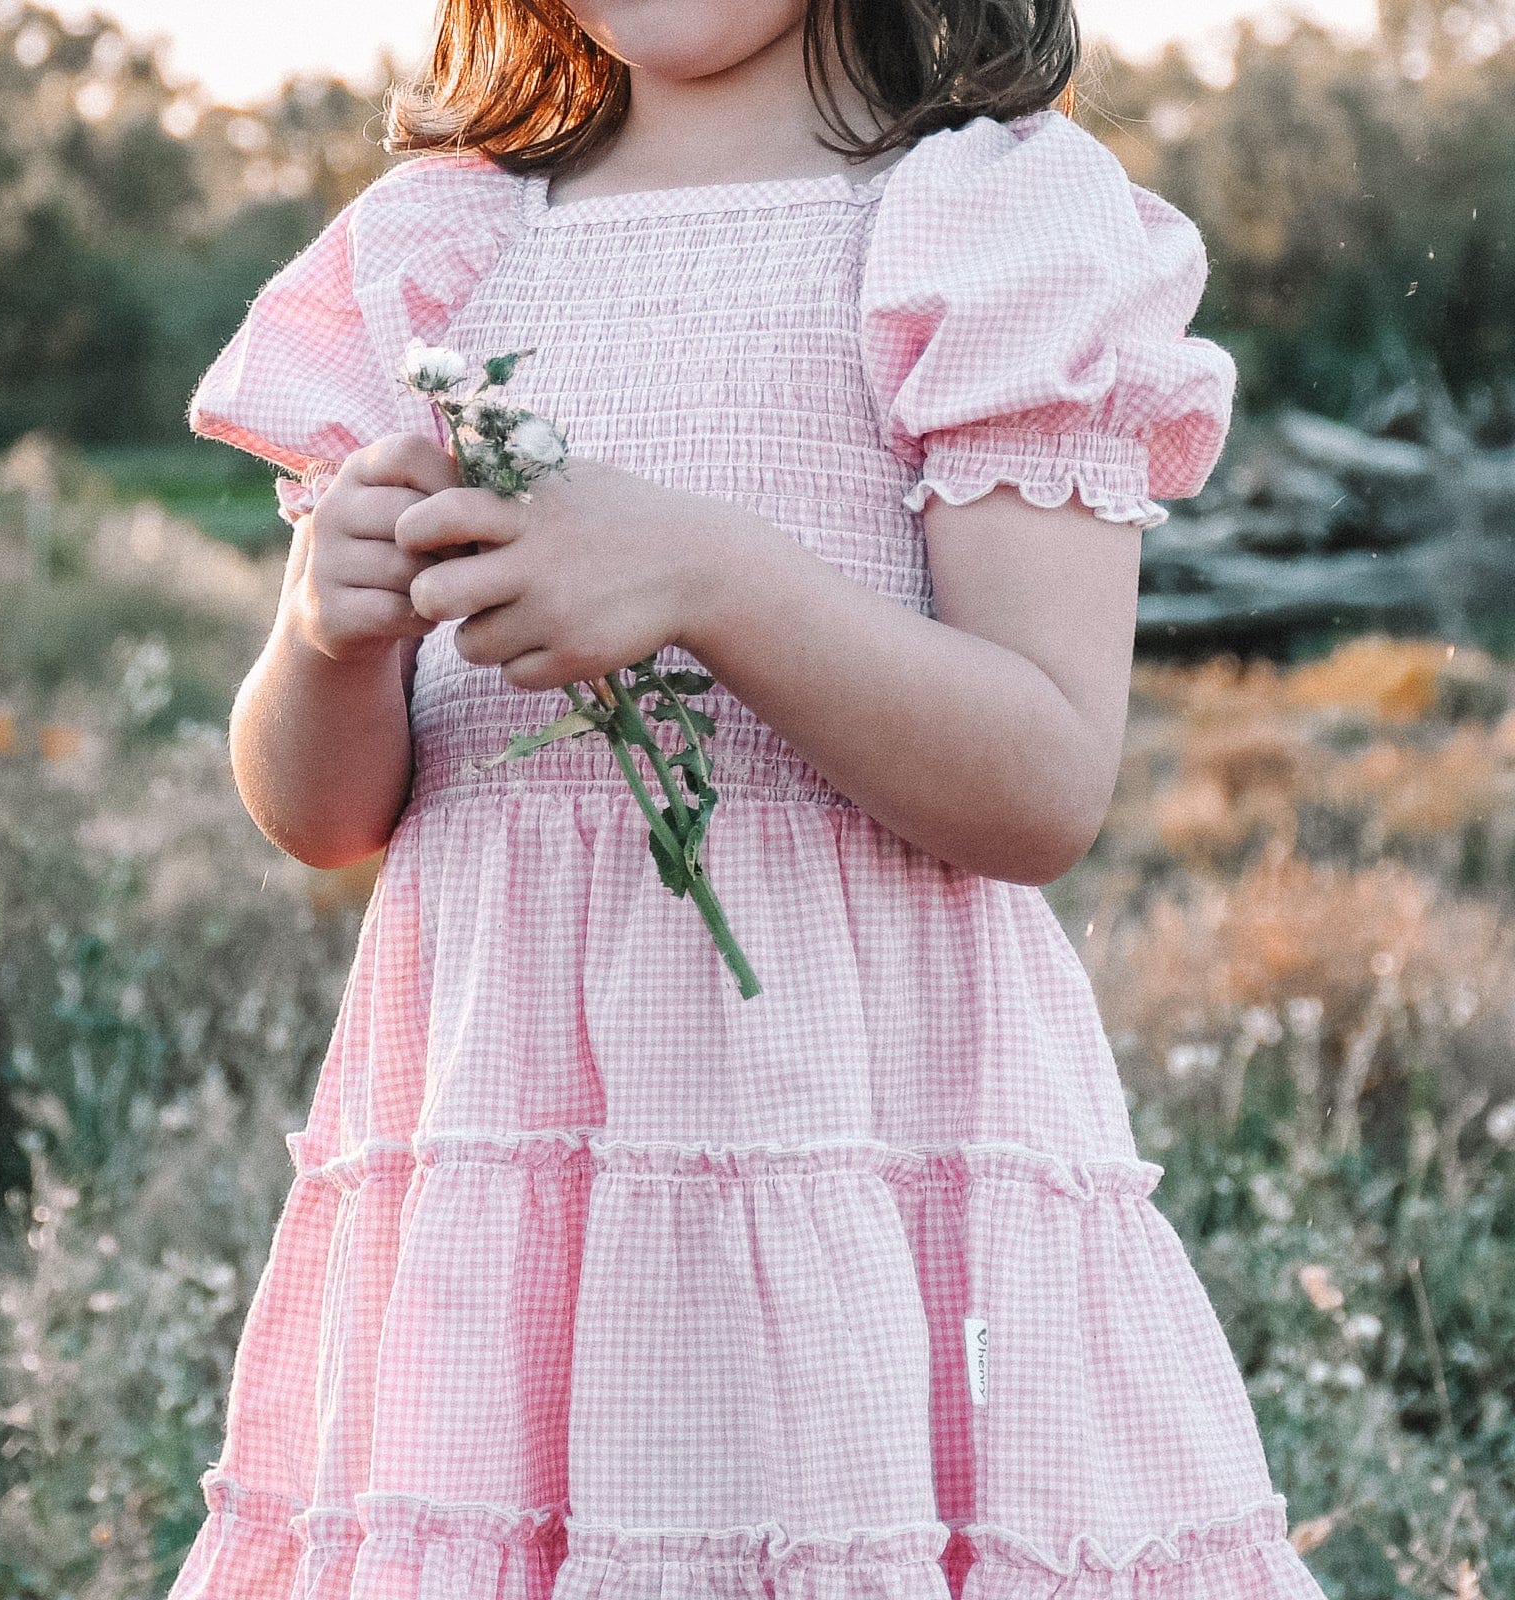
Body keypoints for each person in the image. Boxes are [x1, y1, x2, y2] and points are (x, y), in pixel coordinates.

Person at [168, 4, 1331, 1598]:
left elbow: (1044, 780)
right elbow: (325, 813)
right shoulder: (444, 256)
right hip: (508, 1199)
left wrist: (711, 578)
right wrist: (325, 634)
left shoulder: (980, 229)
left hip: (856, 1164)